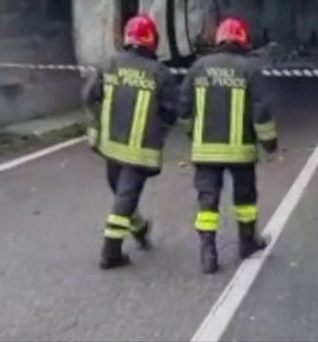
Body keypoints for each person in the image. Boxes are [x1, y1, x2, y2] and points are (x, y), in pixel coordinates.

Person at [177, 16, 278, 274]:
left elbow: (184, 108)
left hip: (205, 150)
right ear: (243, 40)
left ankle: (208, 253)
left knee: (207, 202)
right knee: (245, 200)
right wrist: (269, 142)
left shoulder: (198, 67)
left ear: (219, 38)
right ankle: (247, 243)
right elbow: (261, 110)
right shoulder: (249, 69)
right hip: (240, 151)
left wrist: (192, 135)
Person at [82, 14, 179, 270]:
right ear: (152, 41)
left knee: (121, 193)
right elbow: (172, 111)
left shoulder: (109, 64)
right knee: (124, 196)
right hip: (141, 150)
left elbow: (89, 96)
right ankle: (119, 245)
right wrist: (160, 130)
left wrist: (97, 125)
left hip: (111, 145)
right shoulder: (160, 73)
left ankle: (112, 248)